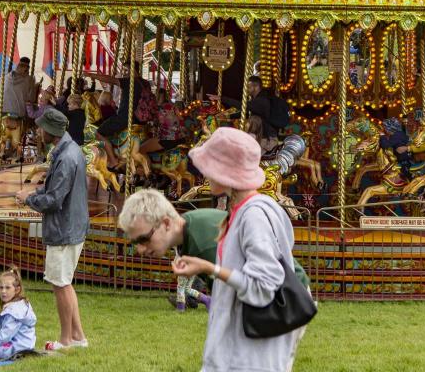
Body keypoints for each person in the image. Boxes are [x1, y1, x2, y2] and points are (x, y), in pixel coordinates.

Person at [172, 127, 308, 372]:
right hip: (241, 343)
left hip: (252, 354)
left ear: (225, 173)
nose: (204, 173)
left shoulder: (254, 215)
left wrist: (210, 268)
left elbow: (264, 285)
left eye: (209, 167)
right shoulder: (244, 210)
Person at [15, 108, 89, 351]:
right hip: (70, 225)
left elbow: (55, 200)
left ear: (50, 131)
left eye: (41, 127)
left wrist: (28, 200)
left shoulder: (67, 157)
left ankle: (66, 341)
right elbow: (55, 189)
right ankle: (78, 336)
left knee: (60, 284)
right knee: (64, 282)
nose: (38, 130)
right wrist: (32, 193)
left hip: (64, 228)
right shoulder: (70, 149)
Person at [119, 189, 225, 311]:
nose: (140, 250)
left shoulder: (203, 246)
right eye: (135, 242)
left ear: (166, 223)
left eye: (144, 239)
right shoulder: (189, 229)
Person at [378, 117, 413, 183]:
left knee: (404, 172)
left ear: (390, 128)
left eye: (385, 129)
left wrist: (382, 136)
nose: (385, 131)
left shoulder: (396, 135)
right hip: (402, 156)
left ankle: (407, 181)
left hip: (404, 158)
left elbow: (385, 145)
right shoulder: (398, 133)